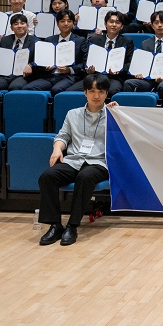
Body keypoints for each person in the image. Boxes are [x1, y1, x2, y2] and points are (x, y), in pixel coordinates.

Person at [37, 74, 116, 246]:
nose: (96, 96)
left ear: (106, 93)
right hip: (74, 160)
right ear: (85, 93)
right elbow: (63, 136)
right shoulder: (73, 114)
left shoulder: (113, 114)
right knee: (47, 176)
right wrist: (57, 149)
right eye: (92, 91)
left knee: (85, 177)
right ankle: (55, 225)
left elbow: (124, 137)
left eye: (101, 92)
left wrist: (118, 113)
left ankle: (72, 226)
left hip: (99, 162)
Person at [68, 11, 134, 96]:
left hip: (114, 78)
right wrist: (88, 68)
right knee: (70, 92)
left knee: (113, 91)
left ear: (121, 26)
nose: (114, 25)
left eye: (117, 22)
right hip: (94, 76)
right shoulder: (94, 40)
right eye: (111, 22)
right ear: (105, 24)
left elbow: (129, 63)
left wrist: (119, 70)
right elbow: (86, 58)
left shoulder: (127, 41)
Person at [21, 9, 85, 94]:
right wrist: (45, 66)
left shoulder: (80, 40)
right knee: (27, 88)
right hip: (50, 76)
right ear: (58, 24)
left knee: (56, 89)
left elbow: (84, 63)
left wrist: (70, 69)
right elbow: (40, 60)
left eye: (69, 21)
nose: (66, 24)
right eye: (62, 21)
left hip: (69, 76)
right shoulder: (49, 40)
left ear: (73, 23)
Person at [122, 11, 163, 98]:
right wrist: (139, 73)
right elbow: (142, 62)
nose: (159, 25)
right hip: (148, 79)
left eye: (162, 22)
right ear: (151, 25)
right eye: (156, 23)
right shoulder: (145, 43)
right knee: (129, 83)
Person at [0, 13, 35, 90]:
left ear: (27, 26)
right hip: (5, 75)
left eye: (22, 23)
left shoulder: (35, 41)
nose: (19, 26)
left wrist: (31, 65)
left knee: (14, 87)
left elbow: (40, 61)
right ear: (11, 28)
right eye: (16, 24)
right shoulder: (5, 40)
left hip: (23, 75)